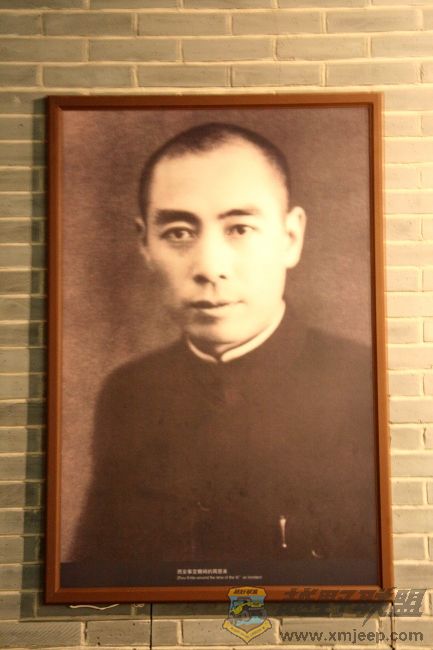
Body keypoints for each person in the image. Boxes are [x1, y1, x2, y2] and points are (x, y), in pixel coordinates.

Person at [63, 123, 379, 588]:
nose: (210, 267)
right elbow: (97, 579)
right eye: (178, 232)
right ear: (144, 244)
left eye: (240, 228)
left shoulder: (362, 383)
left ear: (291, 237)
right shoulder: (129, 393)